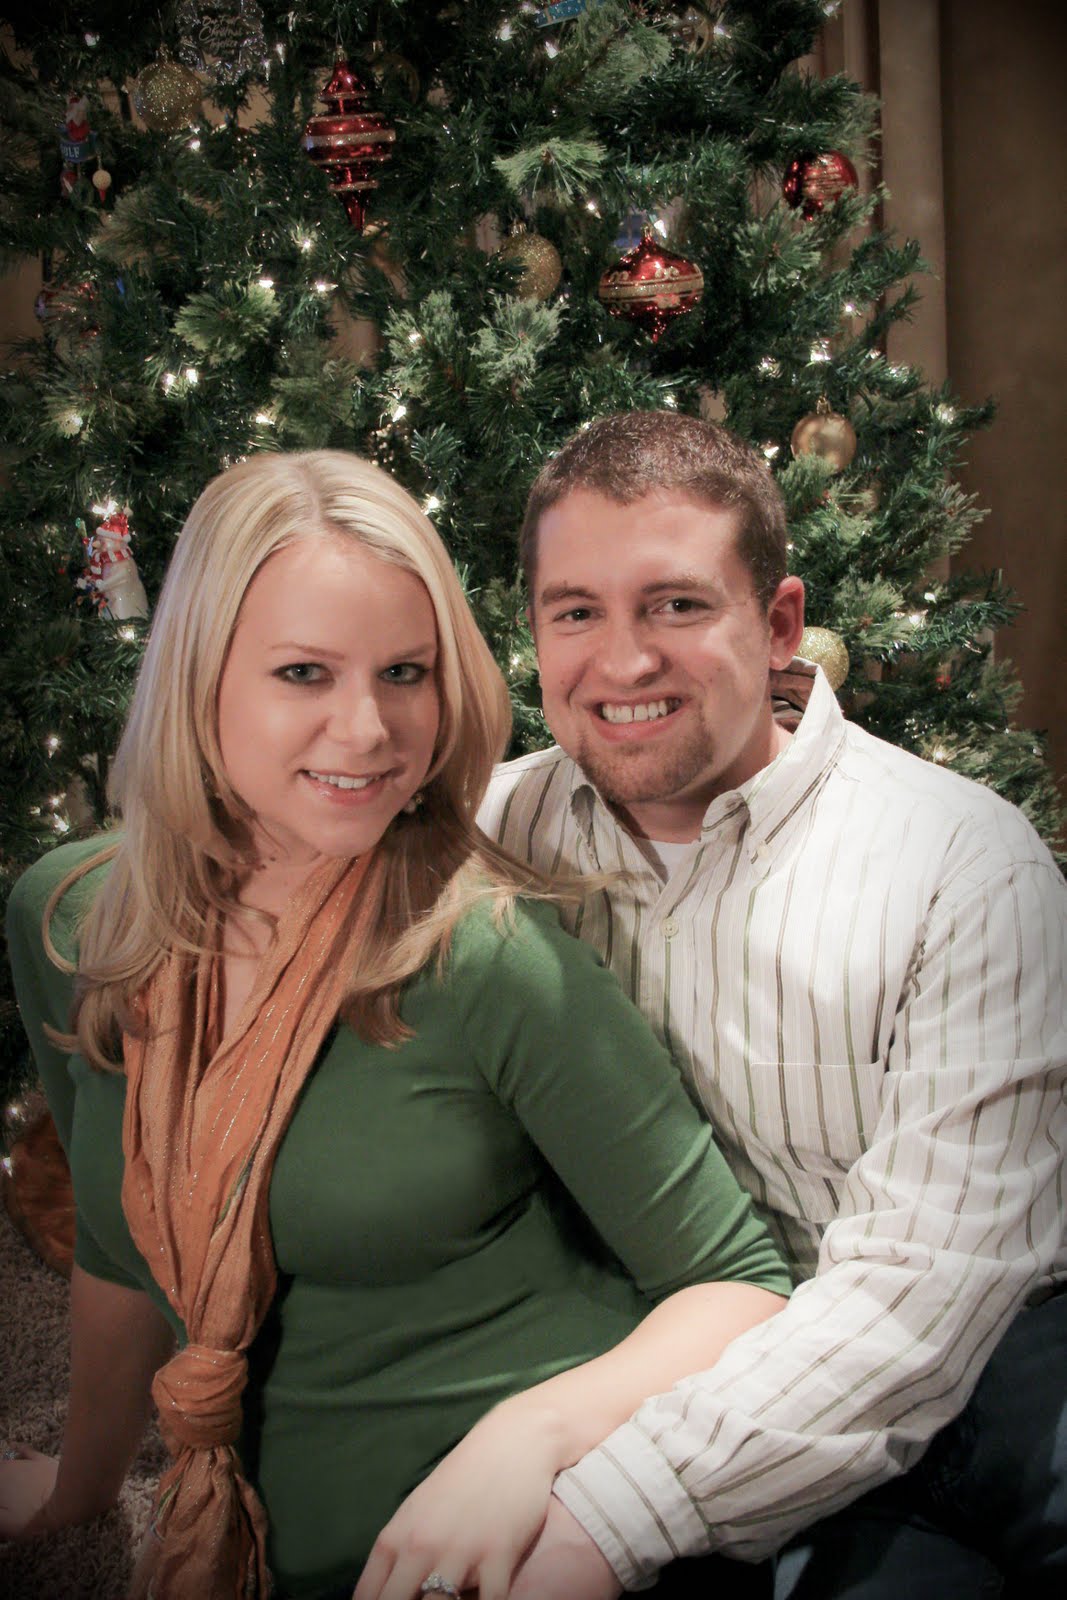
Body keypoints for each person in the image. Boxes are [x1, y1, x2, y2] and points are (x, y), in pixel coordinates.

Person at [0, 449, 792, 1600]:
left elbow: (740, 1282)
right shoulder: (71, 915)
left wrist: (526, 1440)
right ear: (198, 679)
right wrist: (79, 1493)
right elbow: (122, 1251)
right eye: (303, 672)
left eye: (404, 673)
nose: (368, 729)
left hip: (525, 1549)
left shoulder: (488, 951)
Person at [474, 411, 1067, 1599]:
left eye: (675, 605)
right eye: (575, 612)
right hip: (674, 1356)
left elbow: (921, 1296)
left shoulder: (966, 862)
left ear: (780, 623)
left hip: (989, 1342)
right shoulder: (488, 839)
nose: (622, 663)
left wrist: (599, 1519)